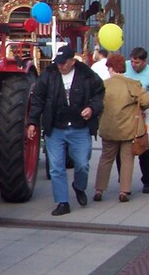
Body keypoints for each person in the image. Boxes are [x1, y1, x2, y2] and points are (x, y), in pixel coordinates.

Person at [27, 43, 104, 215]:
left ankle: (79, 187)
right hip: (55, 127)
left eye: (63, 62)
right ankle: (62, 202)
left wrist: (92, 108)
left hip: (80, 127)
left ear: (72, 61)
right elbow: (38, 98)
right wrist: (32, 122)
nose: (60, 66)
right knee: (56, 167)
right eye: (58, 62)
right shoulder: (49, 75)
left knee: (82, 164)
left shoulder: (87, 75)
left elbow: (99, 94)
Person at [93, 53, 149, 202]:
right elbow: (146, 102)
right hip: (128, 129)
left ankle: (99, 189)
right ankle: (124, 191)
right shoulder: (133, 84)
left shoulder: (103, 85)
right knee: (127, 159)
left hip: (108, 128)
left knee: (106, 158)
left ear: (111, 68)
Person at [124, 47, 149, 193]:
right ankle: (123, 180)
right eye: (132, 62)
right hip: (124, 113)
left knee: (142, 146)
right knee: (123, 147)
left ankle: (147, 180)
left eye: (137, 63)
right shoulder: (125, 66)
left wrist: (146, 101)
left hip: (140, 113)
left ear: (144, 61)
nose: (133, 65)